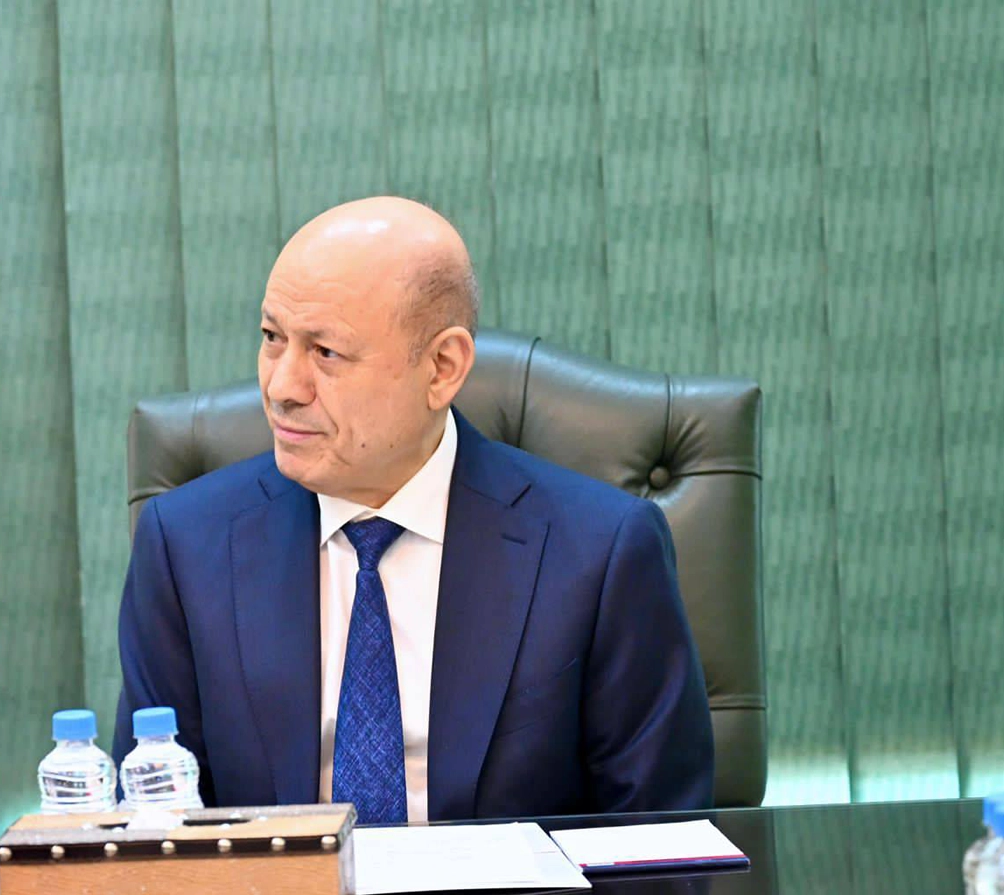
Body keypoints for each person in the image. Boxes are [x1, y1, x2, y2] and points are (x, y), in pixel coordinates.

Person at [113, 196, 713, 822]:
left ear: (442, 368)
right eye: (272, 338)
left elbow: (659, 842)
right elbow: (153, 832)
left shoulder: (600, 553)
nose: (282, 387)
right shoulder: (186, 547)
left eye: (325, 352)